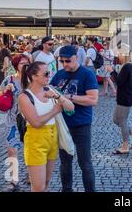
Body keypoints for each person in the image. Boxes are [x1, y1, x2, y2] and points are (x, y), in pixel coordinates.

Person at [18, 61, 74, 192]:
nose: (49, 76)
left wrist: (57, 96)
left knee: (46, 183)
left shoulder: (50, 90)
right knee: (38, 187)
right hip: (35, 141)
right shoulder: (24, 97)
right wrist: (54, 111)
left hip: (52, 139)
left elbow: (71, 107)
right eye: (46, 73)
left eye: (50, 73)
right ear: (33, 76)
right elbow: (36, 122)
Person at [50, 45, 99, 192]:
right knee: (65, 162)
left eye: (68, 61)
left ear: (76, 57)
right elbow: (50, 90)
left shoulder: (87, 74)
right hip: (63, 125)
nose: (65, 64)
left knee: (85, 163)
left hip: (81, 124)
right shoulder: (59, 74)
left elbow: (93, 100)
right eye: (62, 61)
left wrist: (67, 97)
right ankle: (67, 190)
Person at [0, 55, 30, 192]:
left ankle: (30, 174)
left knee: (30, 150)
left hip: (30, 121)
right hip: (13, 121)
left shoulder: (33, 79)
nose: (26, 65)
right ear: (16, 65)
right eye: (22, 63)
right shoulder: (9, 79)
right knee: (11, 150)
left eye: (27, 63)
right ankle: (13, 181)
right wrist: (5, 90)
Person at [113, 47, 132, 154]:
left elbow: (119, 82)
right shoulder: (127, 66)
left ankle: (125, 146)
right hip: (124, 97)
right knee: (116, 120)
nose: (118, 56)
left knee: (122, 120)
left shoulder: (127, 66)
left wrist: (112, 71)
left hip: (125, 98)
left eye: (119, 54)